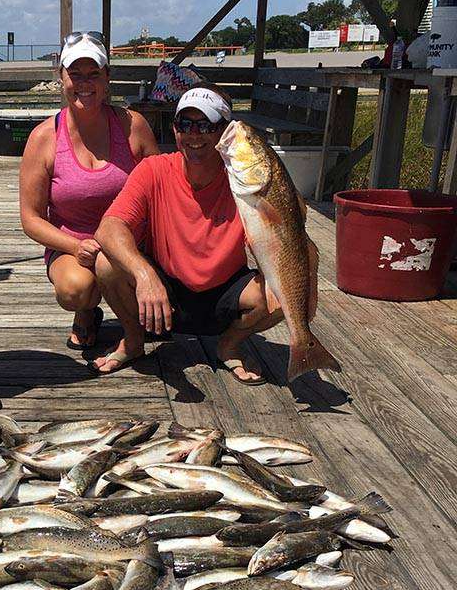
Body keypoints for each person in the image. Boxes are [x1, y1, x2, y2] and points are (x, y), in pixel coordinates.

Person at [92, 84, 318, 383]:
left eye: (206, 125)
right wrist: (145, 275)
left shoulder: (243, 183)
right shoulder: (153, 169)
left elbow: (291, 239)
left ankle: (229, 345)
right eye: (185, 124)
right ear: (174, 130)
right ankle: (134, 341)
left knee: (284, 292)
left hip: (226, 290)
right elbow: (108, 228)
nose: (194, 134)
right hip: (166, 291)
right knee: (106, 264)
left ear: (224, 132)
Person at [19, 32, 158, 350]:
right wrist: (75, 245)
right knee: (75, 289)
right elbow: (30, 218)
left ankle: (137, 315)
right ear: (61, 77)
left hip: (130, 239)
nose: (85, 83)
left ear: (108, 78)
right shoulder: (43, 137)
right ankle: (86, 312)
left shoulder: (133, 125)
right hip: (73, 244)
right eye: (75, 74)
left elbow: (161, 188)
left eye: (94, 74)